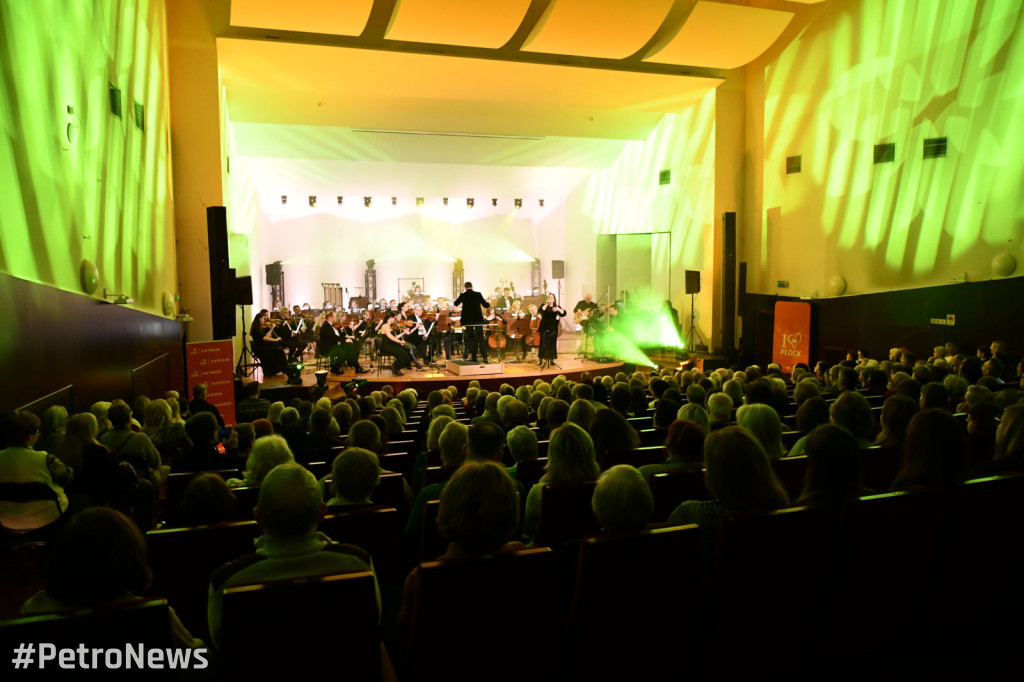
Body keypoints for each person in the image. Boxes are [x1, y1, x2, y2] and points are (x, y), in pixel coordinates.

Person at [207, 463, 379, 650]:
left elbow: (221, 646)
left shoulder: (227, 581)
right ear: (322, 513)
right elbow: (373, 625)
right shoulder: (359, 564)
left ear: (258, 517)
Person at [20, 507, 204, 649]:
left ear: (60, 557)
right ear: (132, 557)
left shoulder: (33, 613)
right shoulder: (155, 615)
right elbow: (198, 665)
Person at [0, 411, 72, 532]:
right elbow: (67, 477)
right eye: (37, 430)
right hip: (49, 517)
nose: (39, 433)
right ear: (30, 436)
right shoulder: (45, 459)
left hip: (6, 520)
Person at [453, 282, 491, 363]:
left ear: (465, 288)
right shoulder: (478, 294)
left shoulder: (463, 295)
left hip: (468, 320)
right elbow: (486, 305)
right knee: (480, 337)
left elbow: (455, 303)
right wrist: (489, 302)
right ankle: (485, 357)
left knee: (470, 338)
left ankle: (474, 357)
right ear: (472, 287)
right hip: (478, 319)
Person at [250, 309, 287, 377]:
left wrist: (272, 328)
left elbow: (267, 335)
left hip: (263, 346)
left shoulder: (258, 327)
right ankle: (275, 371)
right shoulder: (256, 328)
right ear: (259, 319)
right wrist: (276, 340)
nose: (264, 320)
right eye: (263, 318)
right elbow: (264, 338)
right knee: (278, 351)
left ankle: (281, 369)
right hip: (260, 348)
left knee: (279, 350)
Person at [538, 292, 566, 370]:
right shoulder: (544, 305)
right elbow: (541, 311)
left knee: (552, 343)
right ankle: (540, 359)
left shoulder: (556, 307)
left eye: (551, 297)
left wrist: (558, 309)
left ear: (554, 299)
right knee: (543, 343)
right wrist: (547, 304)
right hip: (544, 327)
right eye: (549, 297)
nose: (550, 298)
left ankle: (551, 359)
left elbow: (563, 313)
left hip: (553, 327)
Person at [318, 310, 345, 374]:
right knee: (344, 352)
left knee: (345, 349)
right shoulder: (326, 326)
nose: (336, 318)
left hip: (331, 346)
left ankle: (334, 367)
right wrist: (344, 340)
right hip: (327, 349)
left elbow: (335, 337)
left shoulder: (329, 325)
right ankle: (334, 368)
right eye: (335, 317)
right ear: (330, 317)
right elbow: (334, 337)